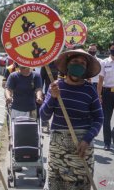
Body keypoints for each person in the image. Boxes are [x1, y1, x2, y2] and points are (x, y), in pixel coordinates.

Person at [40, 49, 103, 190]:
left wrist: (87, 139)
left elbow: (99, 118)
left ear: (86, 69)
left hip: (82, 147)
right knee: (56, 184)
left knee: (80, 185)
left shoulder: (90, 90)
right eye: (75, 62)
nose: (78, 65)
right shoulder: (56, 86)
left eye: (82, 63)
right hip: (58, 148)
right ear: (68, 65)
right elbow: (44, 116)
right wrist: (53, 98)